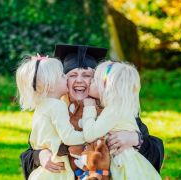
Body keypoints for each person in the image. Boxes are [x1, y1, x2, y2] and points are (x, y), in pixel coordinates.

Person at [20, 45, 164, 180]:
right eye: (72, 75)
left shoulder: (113, 109)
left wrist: (136, 139)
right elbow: (30, 151)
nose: (79, 81)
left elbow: (155, 150)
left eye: (87, 75)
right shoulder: (55, 109)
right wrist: (39, 156)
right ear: (62, 80)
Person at [82, 61, 162, 179]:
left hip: (125, 166)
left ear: (105, 87)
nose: (89, 82)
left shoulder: (113, 110)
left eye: (93, 79)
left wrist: (88, 107)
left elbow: (89, 135)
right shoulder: (121, 108)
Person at [16, 54, 86, 179]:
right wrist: (90, 136)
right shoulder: (57, 105)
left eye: (86, 75)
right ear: (50, 86)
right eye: (65, 75)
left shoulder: (41, 106)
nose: (68, 79)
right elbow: (69, 137)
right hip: (58, 169)